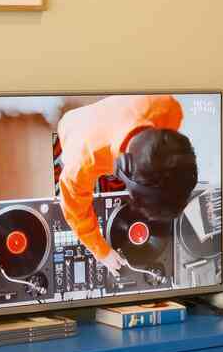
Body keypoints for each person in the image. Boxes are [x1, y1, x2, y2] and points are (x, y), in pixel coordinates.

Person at [57, 95, 198, 276]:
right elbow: (75, 211)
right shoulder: (81, 162)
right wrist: (102, 251)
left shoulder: (168, 107)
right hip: (72, 125)